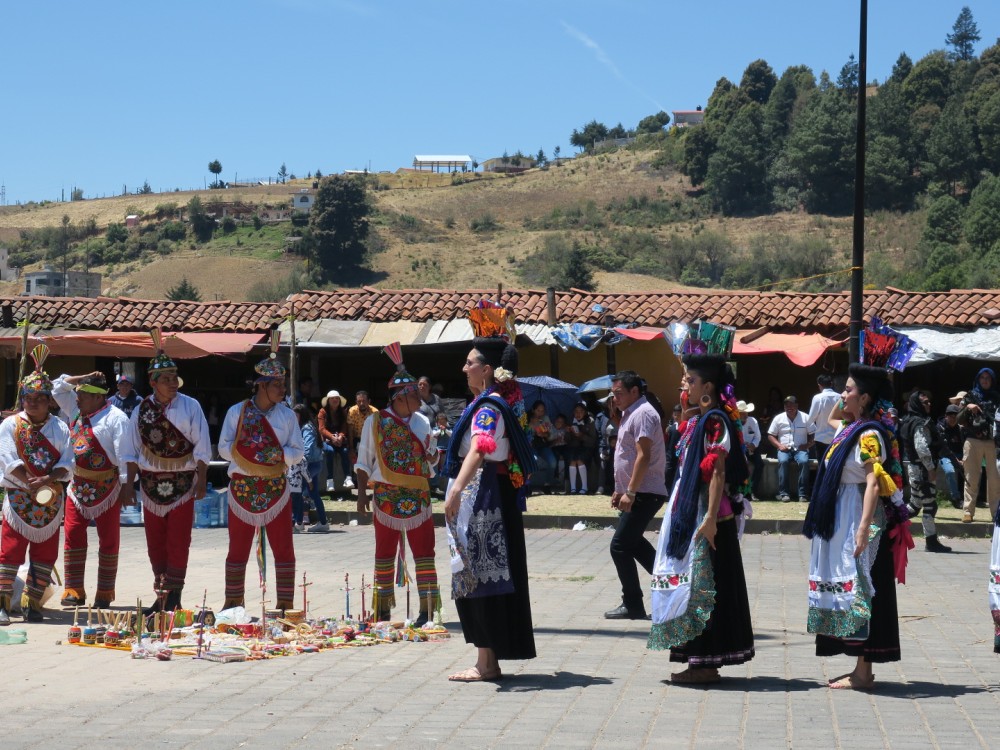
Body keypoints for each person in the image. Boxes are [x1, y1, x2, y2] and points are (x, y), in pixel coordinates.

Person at [803, 363, 911, 691]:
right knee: (852, 589)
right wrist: (856, 373)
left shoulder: (868, 434)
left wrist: (864, 528)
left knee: (864, 588)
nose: (842, 395)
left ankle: (864, 672)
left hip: (857, 515)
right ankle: (859, 668)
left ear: (864, 398)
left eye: (849, 390)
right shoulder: (849, 427)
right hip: (840, 514)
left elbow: (874, 482)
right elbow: (834, 415)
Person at [648, 354, 754, 684]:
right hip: (690, 512)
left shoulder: (715, 422)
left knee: (702, 590)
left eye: (690, 380)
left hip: (707, 519)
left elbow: (717, 471)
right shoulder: (699, 419)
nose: (684, 385)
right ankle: (699, 661)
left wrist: (708, 519)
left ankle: (706, 664)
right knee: (693, 587)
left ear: (707, 386)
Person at [443, 336, 537, 681]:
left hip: (485, 498)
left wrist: (455, 490)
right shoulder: (494, 402)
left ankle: (485, 663)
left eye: (470, 363)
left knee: (483, 574)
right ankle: (488, 659)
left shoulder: (487, 408)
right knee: (482, 574)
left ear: (486, 370)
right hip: (490, 494)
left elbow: (480, 448)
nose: (464, 368)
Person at [120, 331, 211, 613]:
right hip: (150, 485)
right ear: (153, 382)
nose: (173, 383)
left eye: (175, 378)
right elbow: (131, 450)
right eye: (166, 379)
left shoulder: (190, 406)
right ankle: (162, 596)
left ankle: (175, 597)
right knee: (155, 543)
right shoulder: (141, 410)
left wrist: (201, 480)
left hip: (183, 483)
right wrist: (127, 484)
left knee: (178, 541)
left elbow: (202, 444)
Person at [355, 343, 439, 626]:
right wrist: (362, 495)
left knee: (425, 552)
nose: (420, 398)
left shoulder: (422, 422)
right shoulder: (375, 423)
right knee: (384, 552)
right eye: (415, 393)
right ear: (401, 397)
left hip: (418, 496)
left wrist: (433, 455)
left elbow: (432, 460)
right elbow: (364, 460)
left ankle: (427, 611)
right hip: (386, 495)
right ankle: (382, 611)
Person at [217, 346, 304, 612]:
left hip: (276, 488)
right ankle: (233, 603)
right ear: (261, 385)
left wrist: (272, 455)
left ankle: (286, 604)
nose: (283, 389)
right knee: (238, 548)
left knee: (283, 548)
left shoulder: (288, 416)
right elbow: (223, 447)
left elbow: (298, 451)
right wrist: (251, 453)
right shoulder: (237, 412)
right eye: (277, 384)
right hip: (242, 489)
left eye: (283, 384)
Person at [0, 346, 73, 625]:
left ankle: (33, 604)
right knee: (10, 551)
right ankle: (3, 604)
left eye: (39, 398)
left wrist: (48, 479)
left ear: (49, 401)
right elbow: (7, 458)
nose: (33, 403)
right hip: (19, 498)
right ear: (23, 400)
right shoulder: (11, 425)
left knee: (45, 553)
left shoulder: (60, 428)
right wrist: (29, 482)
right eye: (28, 398)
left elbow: (68, 461)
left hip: (50, 498)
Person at [51, 371, 131, 608]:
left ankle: (105, 592)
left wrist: (127, 487)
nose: (77, 399)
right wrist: (82, 377)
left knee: (108, 539)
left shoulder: (116, 419)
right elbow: (57, 387)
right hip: (77, 487)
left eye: (83, 395)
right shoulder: (76, 411)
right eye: (78, 394)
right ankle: (74, 589)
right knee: (73, 535)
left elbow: (126, 456)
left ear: (97, 398)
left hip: (107, 487)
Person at [605, 371, 668, 620]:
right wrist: (620, 489)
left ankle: (633, 603)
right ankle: (675, 585)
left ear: (634, 391)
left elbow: (644, 456)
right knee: (633, 543)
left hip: (644, 491)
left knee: (620, 546)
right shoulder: (629, 414)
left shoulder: (643, 413)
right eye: (613, 394)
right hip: (636, 490)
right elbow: (626, 454)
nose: (615, 398)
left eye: (619, 393)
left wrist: (630, 491)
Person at [899, 390, 950, 553]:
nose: (929, 404)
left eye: (929, 402)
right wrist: (930, 469)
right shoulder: (918, 423)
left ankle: (890, 524)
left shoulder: (910, 421)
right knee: (929, 505)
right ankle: (931, 540)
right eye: (925, 402)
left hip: (915, 469)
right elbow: (921, 447)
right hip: (921, 470)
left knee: (915, 505)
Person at [958, 368, 1000, 523]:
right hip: (972, 440)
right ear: (978, 379)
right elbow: (958, 418)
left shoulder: (997, 397)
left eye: (988, 378)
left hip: (992, 442)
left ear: (993, 380)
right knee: (971, 476)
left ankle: (996, 513)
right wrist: (968, 407)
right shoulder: (971, 396)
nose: (985, 380)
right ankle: (968, 512)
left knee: (995, 479)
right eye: (982, 377)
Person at [768, 395, 815, 502]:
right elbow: (770, 435)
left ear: (797, 405)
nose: (789, 407)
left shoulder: (805, 417)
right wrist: (779, 445)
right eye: (786, 405)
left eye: (792, 404)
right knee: (783, 461)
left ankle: (802, 494)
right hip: (784, 448)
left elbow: (814, 434)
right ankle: (784, 493)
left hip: (800, 449)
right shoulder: (778, 418)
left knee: (804, 461)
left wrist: (807, 445)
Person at [296, 404, 327, 532]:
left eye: (295, 415)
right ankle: (323, 522)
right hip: (314, 464)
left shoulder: (306, 428)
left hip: (309, 465)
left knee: (297, 492)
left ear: (300, 414)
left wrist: (299, 460)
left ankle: (298, 522)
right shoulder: (309, 426)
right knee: (313, 493)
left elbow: (307, 448)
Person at [318, 389, 352, 491]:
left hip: (339, 440)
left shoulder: (343, 412)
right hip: (327, 440)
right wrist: (332, 437)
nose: (335, 400)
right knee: (329, 451)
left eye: (337, 398)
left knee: (345, 451)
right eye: (332, 399)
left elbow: (344, 427)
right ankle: (330, 480)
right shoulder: (322, 412)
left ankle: (348, 478)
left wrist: (340, 436)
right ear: (328, 400)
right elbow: (321, 428)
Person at [807, 374, 841, 461]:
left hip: (821, 438)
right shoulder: (840, 397)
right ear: (831, 384)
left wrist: (815, 429)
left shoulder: (818, 398)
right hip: (837, 437)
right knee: (834, 465)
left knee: (822, 467)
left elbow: (811, 419)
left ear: (819, 385)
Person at [937, 404, 965, 508]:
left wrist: (963, 459)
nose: (953, 419)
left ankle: (969, 497)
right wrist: (956, 460)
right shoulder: (940, 428)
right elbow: (943, 448)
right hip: (945, 455)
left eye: (955, 416)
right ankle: (956, 498)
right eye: (950, 416)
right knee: (950, 471)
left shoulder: (961, 429)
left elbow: (965, 446)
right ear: (946, 416)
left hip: (960, 455)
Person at [566, 402, 597, 495]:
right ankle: (573, 488)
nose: (578, 414)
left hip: (587, 446)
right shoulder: (571, 420)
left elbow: (592, 439)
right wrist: (568, 432)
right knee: (572, 460)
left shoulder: (590, 421)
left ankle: (584, 487)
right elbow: (567, 440)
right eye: (576, 411)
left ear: (585, 412)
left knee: (579, 459)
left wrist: (581, 435)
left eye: (581, 411)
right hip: (574, 447)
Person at [738, 400, 763, 500]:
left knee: (760, 464)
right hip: (739, 449)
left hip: (752, 448)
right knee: (742, 465)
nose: (745, 415)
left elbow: (757, 436)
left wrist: (753, 445)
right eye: (742, 413)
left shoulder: (753, 421)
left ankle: (753, 490)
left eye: (746, 412)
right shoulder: (734, 423)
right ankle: (741, 491)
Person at [527, 400, 557, 481]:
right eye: (538, 410)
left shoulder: (545, 418)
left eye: (542, 411)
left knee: (552, 462)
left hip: (542, 444)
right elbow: (523, 433)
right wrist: (532, 425)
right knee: (535, 461)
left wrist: (544, 434)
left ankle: (547, 483)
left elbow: (552, 435)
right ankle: (528, 484)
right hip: (530, 445)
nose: (540, 413)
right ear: (533, 410)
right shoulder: (526, 417)